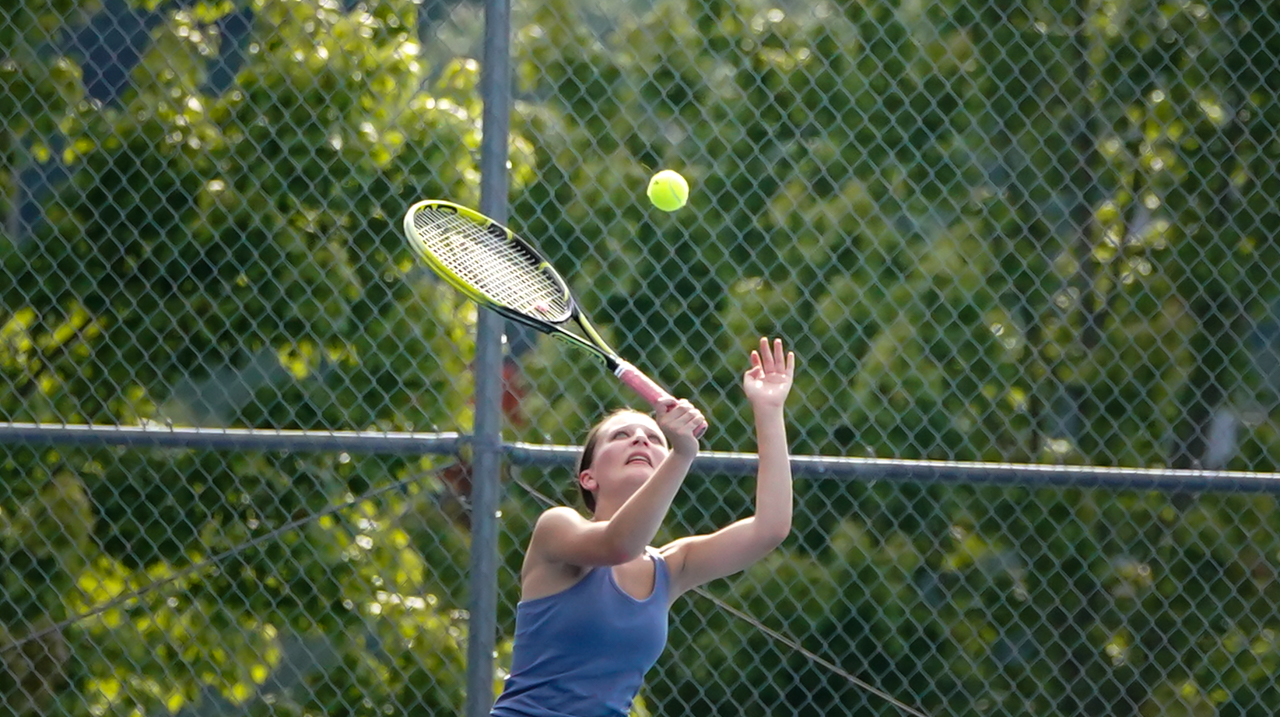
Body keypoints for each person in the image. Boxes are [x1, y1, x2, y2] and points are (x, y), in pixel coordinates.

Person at [490, 337, 797, 717]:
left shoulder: (672, 566)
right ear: (588, 477)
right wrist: (681, 454)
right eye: (621, 435)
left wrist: (769, 409)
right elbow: (619, 545)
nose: (640, 438)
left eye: (654, 438)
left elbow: (771, 528)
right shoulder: (557, 528)